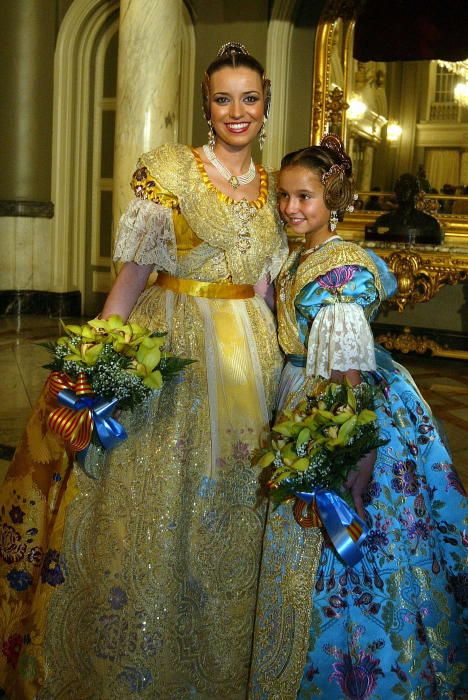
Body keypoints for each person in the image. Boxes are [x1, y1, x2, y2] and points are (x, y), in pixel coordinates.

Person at [0, 43, 287, 699]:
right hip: (176, 351)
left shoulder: (274, 184)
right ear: (206, 107)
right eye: (223, 99)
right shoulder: (170, 171)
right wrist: (96, 356)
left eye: (249, 98)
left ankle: (221, 659)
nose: (236, 111)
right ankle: (138, 658)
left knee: (238, 503)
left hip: (254, 362)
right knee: (157, 502)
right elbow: (129, 280)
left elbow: (267, 286)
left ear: (265, 105)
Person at [249, 135, 467, 698]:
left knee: (352, 538)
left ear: (335, 201)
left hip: (344, 408)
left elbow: (346, 374)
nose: (291, 208)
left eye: (306, 198)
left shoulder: (340, 271)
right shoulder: (301, 256)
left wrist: (358, 455)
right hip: (304, 392)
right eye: (284, 196)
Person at [366, 173, 443, 244]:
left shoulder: (430, 223)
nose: (402, 190)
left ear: (415, 191)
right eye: (399, 187)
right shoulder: (383, 221)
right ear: (395, 191)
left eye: (407, 187)